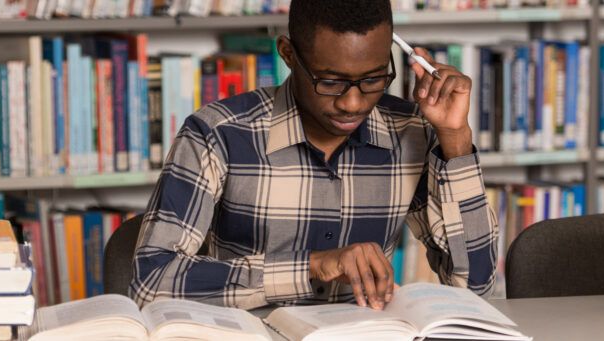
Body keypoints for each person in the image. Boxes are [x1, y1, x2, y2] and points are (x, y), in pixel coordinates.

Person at [130, 0, 497, 311]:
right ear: (289, 54)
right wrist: (312, 266)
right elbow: (152, 281)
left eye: (372, 80)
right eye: (331, 82)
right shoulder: (217, 134)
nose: (352, 103)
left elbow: (475, 286)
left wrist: (455, 137)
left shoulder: (411, 133)